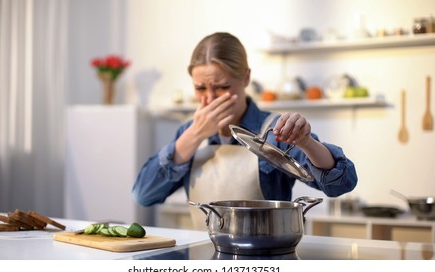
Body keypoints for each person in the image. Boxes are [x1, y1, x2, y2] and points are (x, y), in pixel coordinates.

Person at [132, 32, 357, 229]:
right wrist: (194, 135)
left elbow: (341, 184)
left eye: (222, 87)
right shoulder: (188, 133)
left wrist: (307, 142)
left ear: (246, 77)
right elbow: (144, 195)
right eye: (200, 88)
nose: (210, 99)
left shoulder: (273, 130)